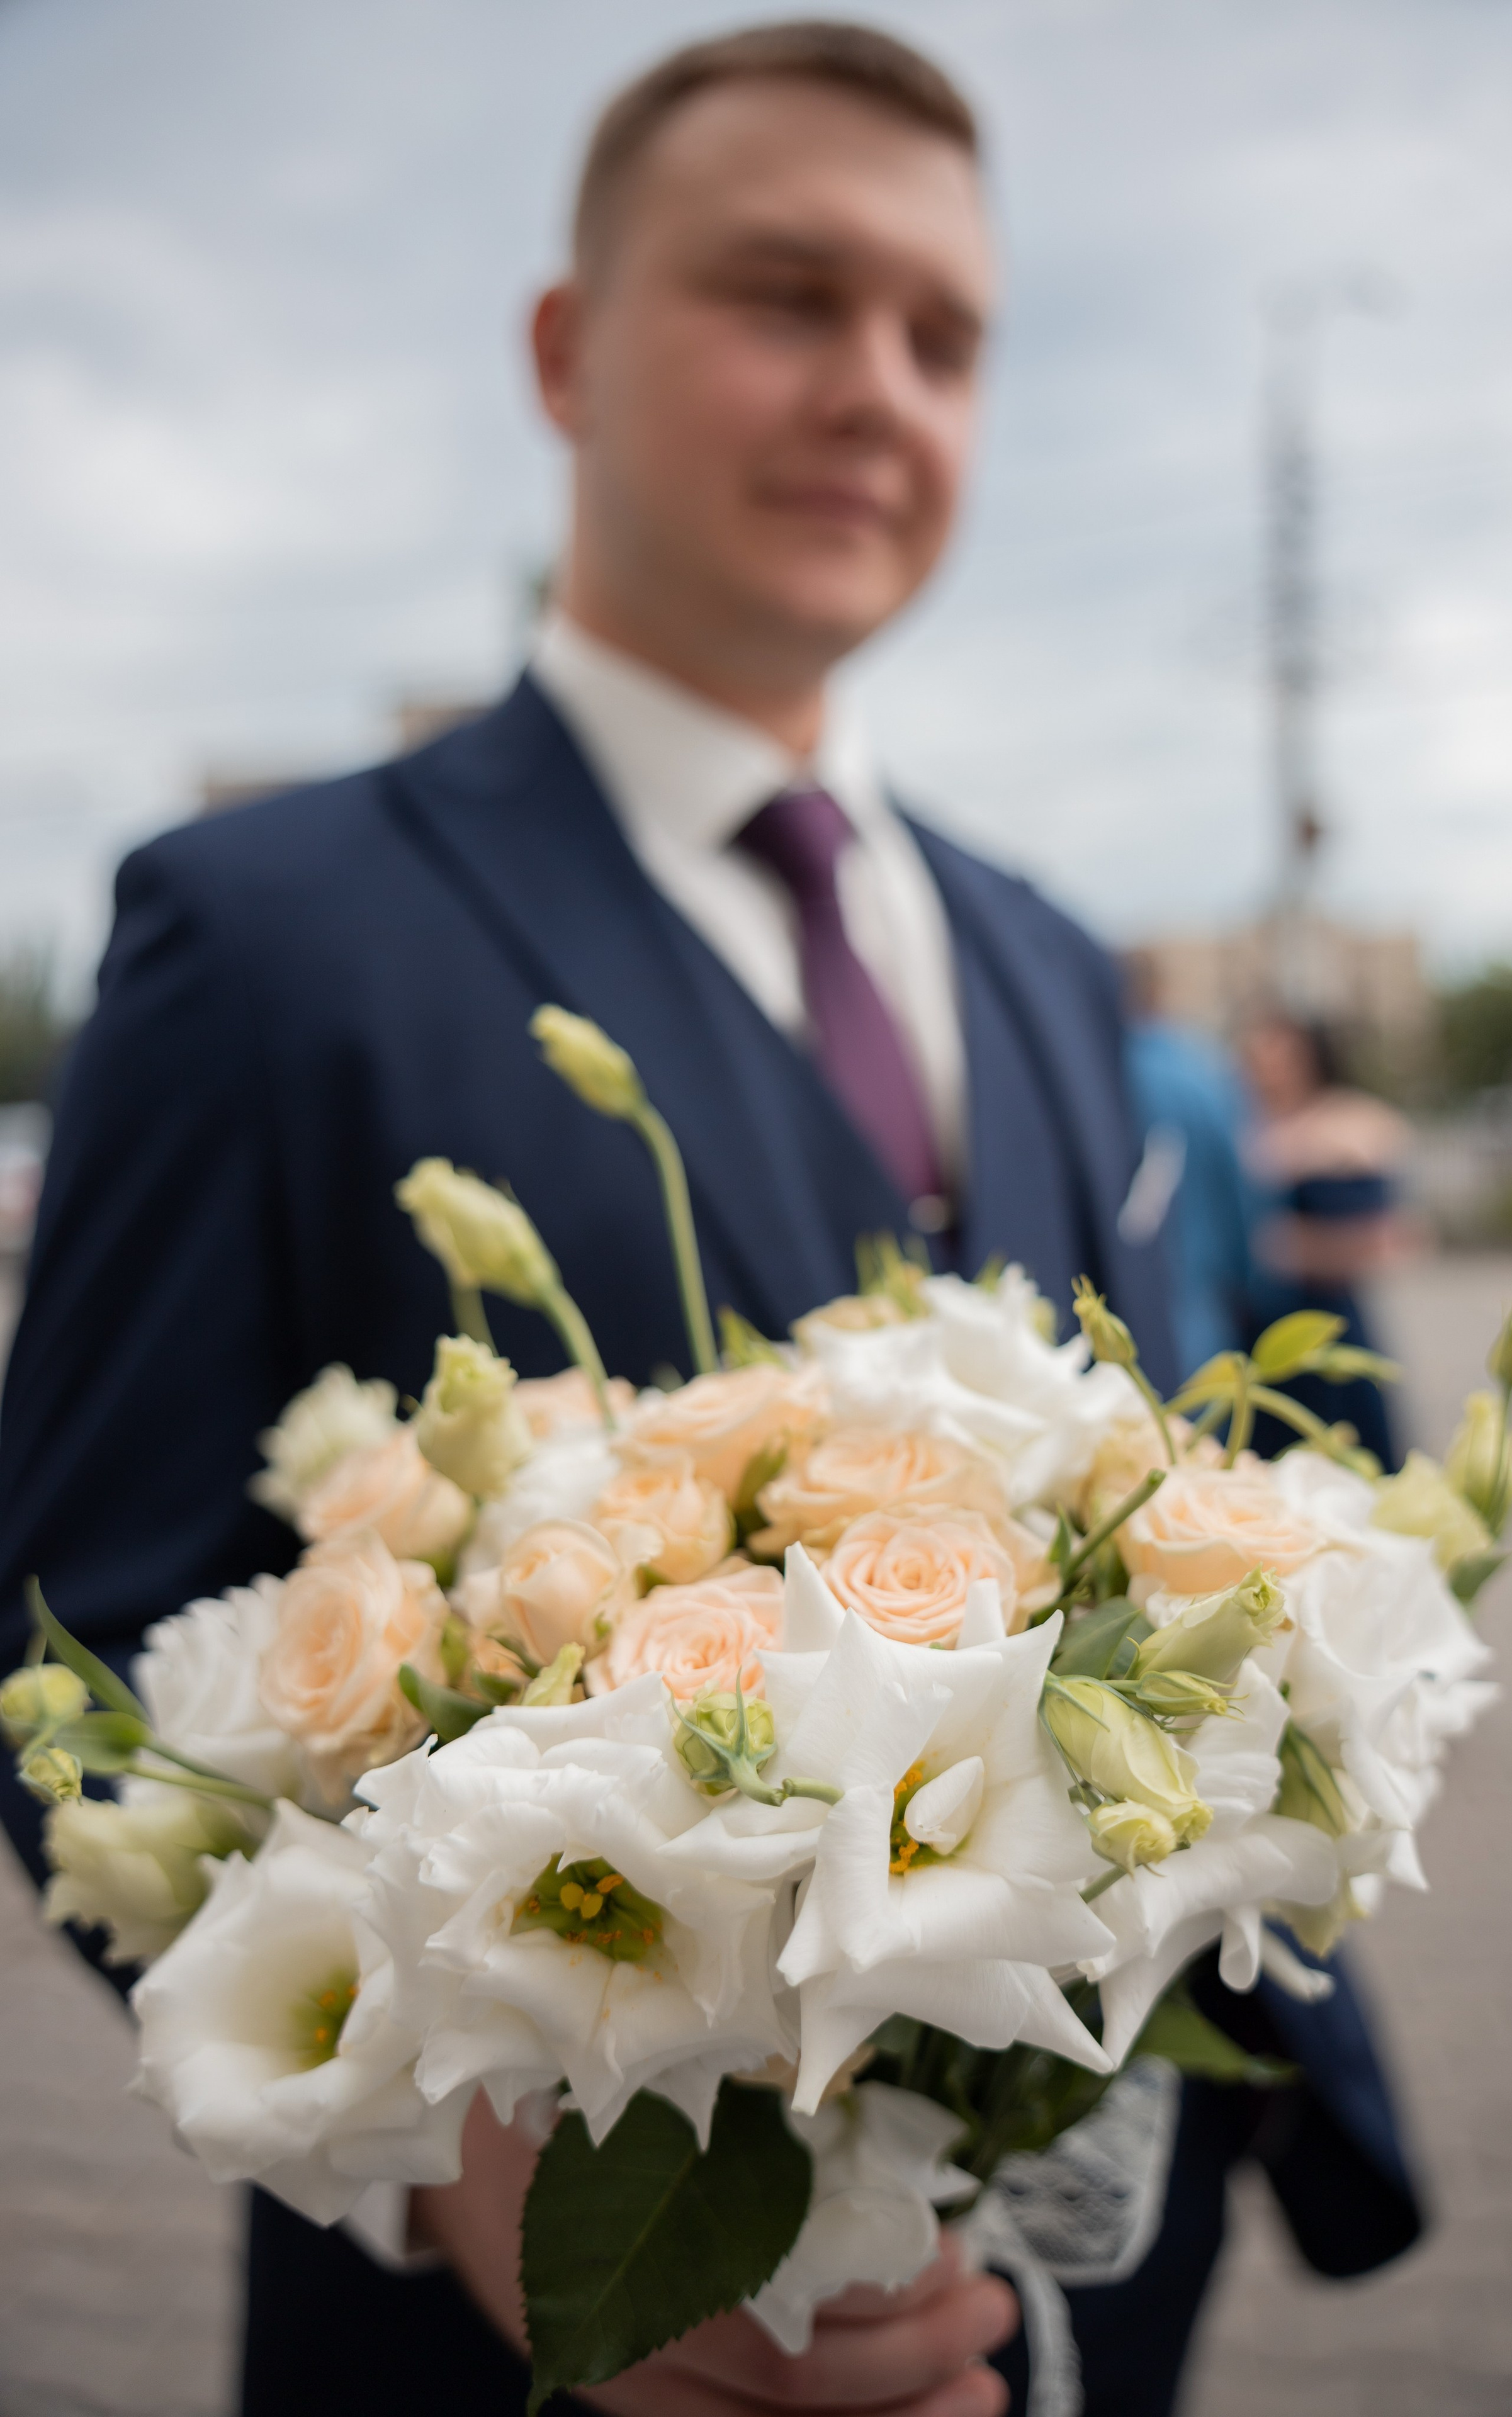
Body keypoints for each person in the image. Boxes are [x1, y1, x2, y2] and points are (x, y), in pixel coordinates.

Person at [0, 26, 1418, 2417]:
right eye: (784, 294)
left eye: (942, 335)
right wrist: (450, 2162)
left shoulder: (1048, 955)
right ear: (565, 351)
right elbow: (91, 1630)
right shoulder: (262, 934)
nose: (874, 387)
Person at [1239, 1010, 1417, 1469]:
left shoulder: (1353, 1123)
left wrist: (1283, 1247)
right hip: (1255, 1324)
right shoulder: (1241, 1122)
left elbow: (1391, 1239)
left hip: (1326, 1317)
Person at [1121, 948, 1256, 1378]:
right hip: (1198, 1323)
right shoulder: (1205, 1077)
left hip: (1100, 1323)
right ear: (1159, 993)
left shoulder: (1082, 1077)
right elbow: (1244, 1202)